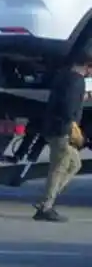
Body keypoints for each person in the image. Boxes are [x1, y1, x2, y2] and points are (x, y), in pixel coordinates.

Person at [34, 59, 90, 222]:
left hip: (54, 128)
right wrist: (72, 127)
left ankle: (46, 200)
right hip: (62, 131)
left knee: (74, 164)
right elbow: (68, 107)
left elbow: (66, 100)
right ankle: (45, 207)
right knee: (59, 168)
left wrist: (82, 97)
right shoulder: (77, 80)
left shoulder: (63, 77)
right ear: (88, 66)